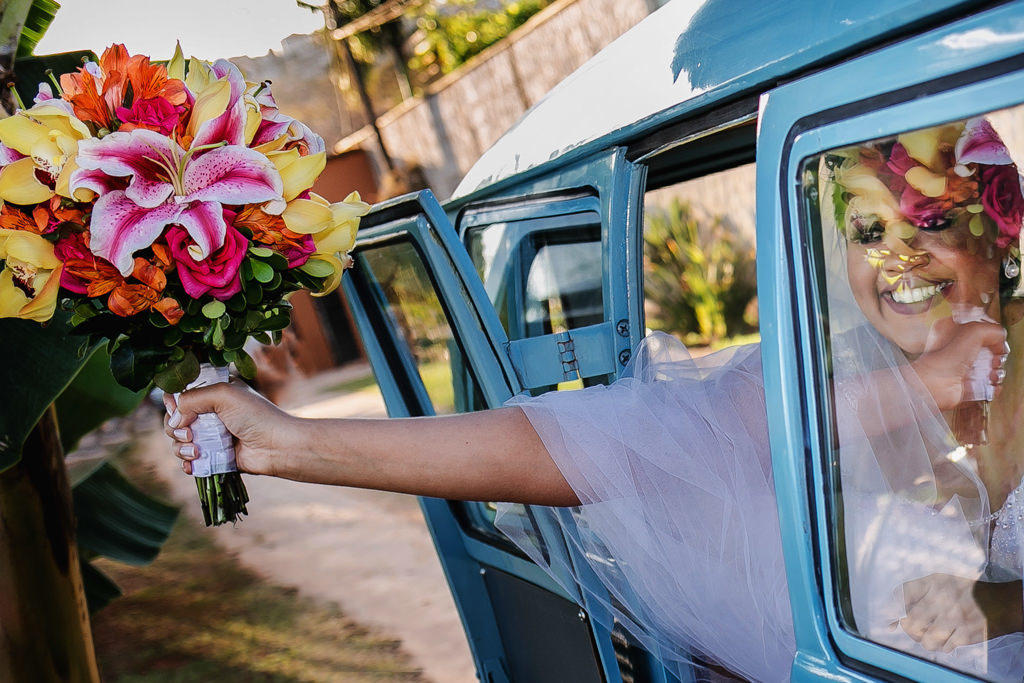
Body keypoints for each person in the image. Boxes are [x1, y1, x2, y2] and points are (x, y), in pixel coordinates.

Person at [165, 116, 1023, 681]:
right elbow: (600, 446)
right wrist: (284, 442)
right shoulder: (810, 376)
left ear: (999, 226)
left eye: (934, 220)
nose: (899, 260)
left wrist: (992, 606)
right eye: (868, 231)